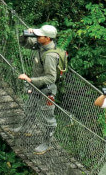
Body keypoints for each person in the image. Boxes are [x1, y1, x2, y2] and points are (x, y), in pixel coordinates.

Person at [12, 24, 66, 154]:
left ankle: (47, 143)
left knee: (48, 118)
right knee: (29, 107)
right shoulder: (41, 45)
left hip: (47, 89)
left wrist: (30, 80)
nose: (36, 37)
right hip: (37, 86)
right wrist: (25, 35)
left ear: (47, 38)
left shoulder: (50, 56)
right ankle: (25, 128)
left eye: (39, 35)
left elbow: (50, 78)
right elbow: (23, 43)